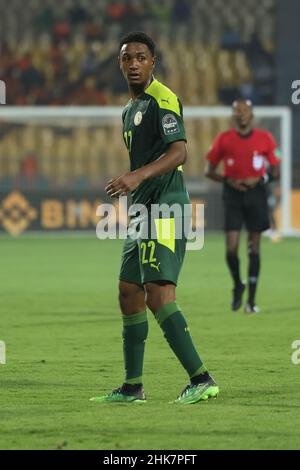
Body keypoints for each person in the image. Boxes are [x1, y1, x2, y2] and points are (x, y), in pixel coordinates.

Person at [90, 31, 219, 404]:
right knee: (129, 291)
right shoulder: (129, 110)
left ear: (152, 63)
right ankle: (133, 387)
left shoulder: (163, 98)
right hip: (143, 210)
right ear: (120, 63)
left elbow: (179, 152)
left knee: (159, 294)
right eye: (127, 58)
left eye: (141, 57)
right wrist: (135, 182)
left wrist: (136, 175)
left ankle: (202, 378)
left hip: (166, 207)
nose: (133, 64)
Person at [205, 99, 280, 313]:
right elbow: (208, 170)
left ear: (252, 114)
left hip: (257, 195)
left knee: (253, 247)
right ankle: (238, 284)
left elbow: (276, 172)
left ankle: (251, 301)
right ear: (233, 114)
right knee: (231, 249)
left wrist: (260, 179)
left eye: (245, 110)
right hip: (232, 195)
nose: (242, 114)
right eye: (237, 110)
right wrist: (228, 180)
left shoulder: (265, 139)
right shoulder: (224, 139)